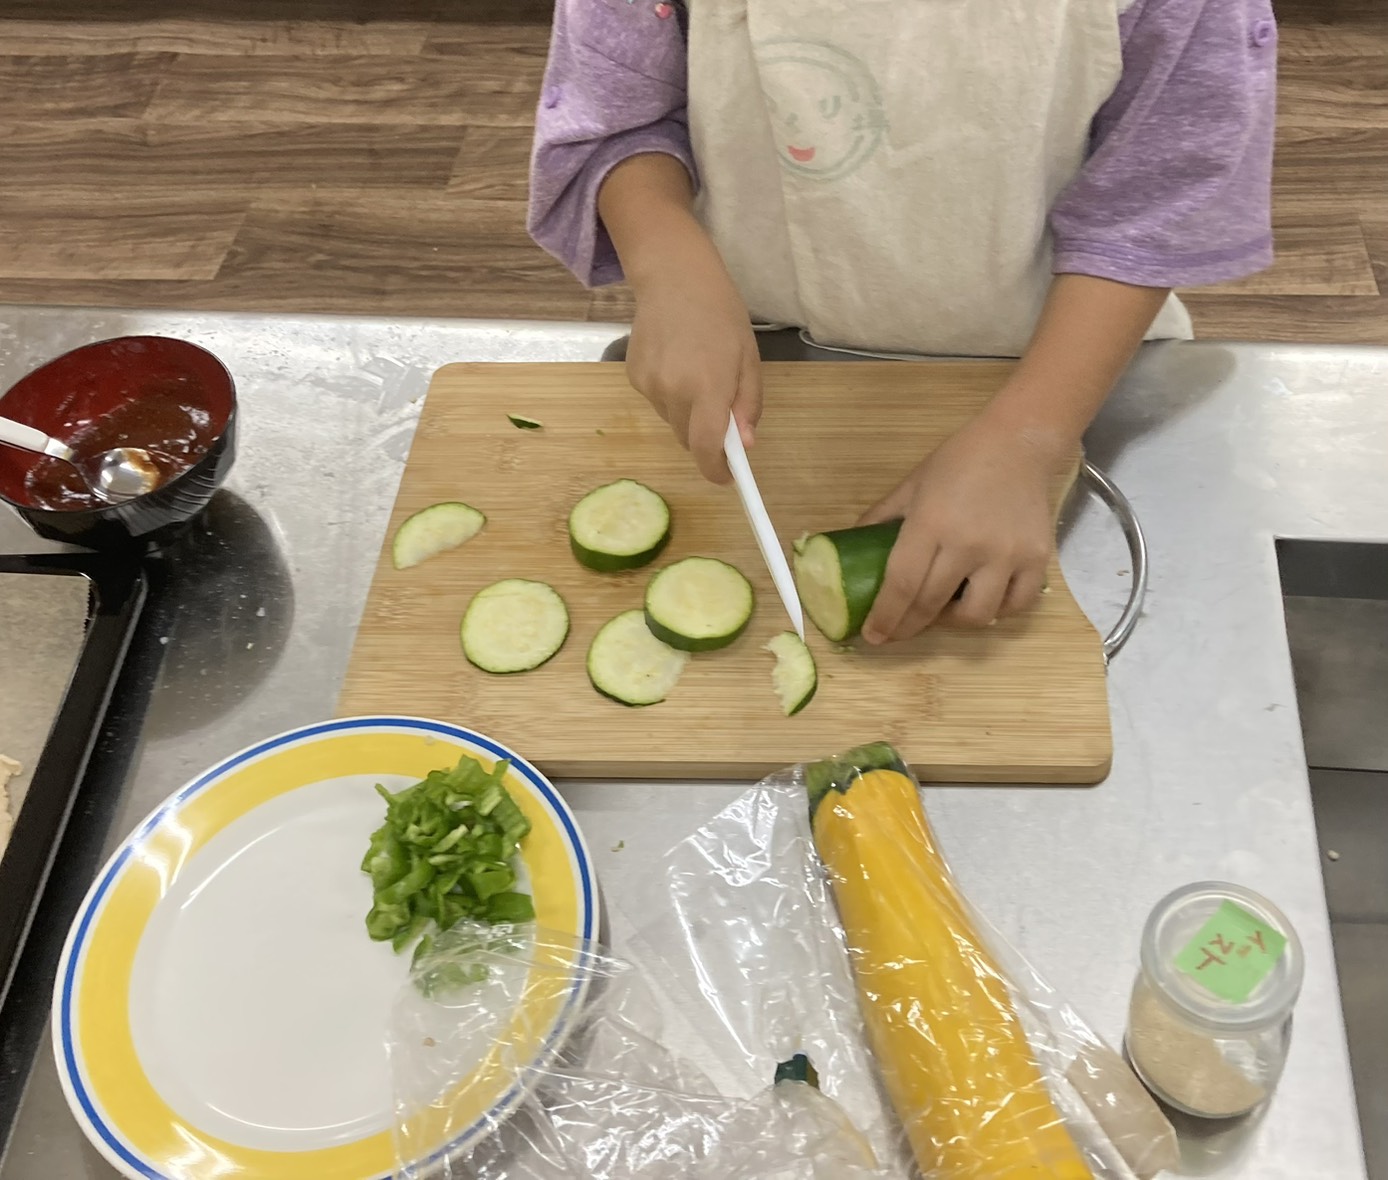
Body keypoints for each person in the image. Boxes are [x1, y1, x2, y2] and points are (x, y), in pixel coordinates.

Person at [528, 0, 1276, 644]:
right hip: (771, 344)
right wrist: (668, 260)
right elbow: (618, 114)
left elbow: (1154, 196)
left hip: (1058, 354)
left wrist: (1032, 434)